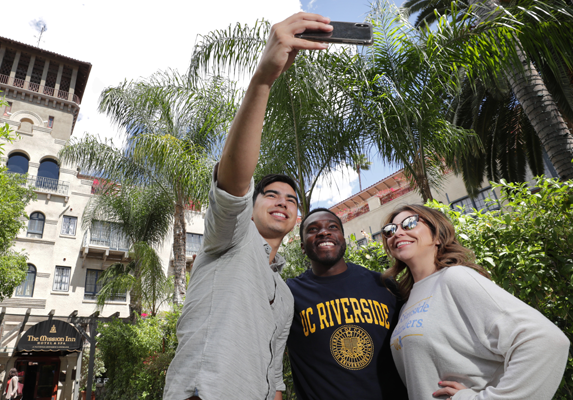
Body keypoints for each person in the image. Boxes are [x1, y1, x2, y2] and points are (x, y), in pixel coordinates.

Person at [162, 12, 333, 400]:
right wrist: (262, 80)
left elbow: (274, 374)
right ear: (251, 207)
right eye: (271, 194)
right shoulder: (231, 238)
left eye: (291, 200)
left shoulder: (285, 293)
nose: (283, 203)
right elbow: (234, 184)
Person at [382, 205, 570, 400]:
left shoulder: (455, 277)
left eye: (409, 223)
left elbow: (546, 340)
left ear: (437, 236)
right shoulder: (406, 303)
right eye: (390, 230)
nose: (398, 233)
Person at [286, 208, 408, 400]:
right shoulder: (289, 294)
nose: (324, 232)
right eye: (313, 229)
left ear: (343, 238)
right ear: (302, 246)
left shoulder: (384, 285)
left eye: (332, 227)